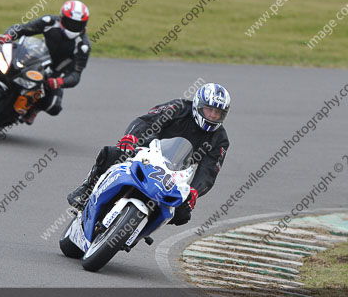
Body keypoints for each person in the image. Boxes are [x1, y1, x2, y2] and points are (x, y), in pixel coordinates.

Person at [67, 83, 231, 225]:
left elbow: (209, 171)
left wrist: (194, 191)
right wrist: (131, 137)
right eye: (209, 110)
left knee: (183, 214)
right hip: (148, 152)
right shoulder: (178, 108)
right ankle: (87, 188)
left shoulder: (220, 139)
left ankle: (143, 225)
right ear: (198, 104)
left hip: (176, 174)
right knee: (112, 154)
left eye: (218, 113)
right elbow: (147, 121)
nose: (213, 116)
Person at [0, 0, 90, 124]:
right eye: (69, 22)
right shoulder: (49, 21)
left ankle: (34, 109)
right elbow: (23, 29)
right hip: (35, 56)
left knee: (54, 106)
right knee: (6, 58)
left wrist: (59, 81)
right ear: (61, 18)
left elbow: (76, 74)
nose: (73, 27)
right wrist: (8, 36)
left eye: (77, 24)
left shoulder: (83, 46)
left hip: (54, 74)